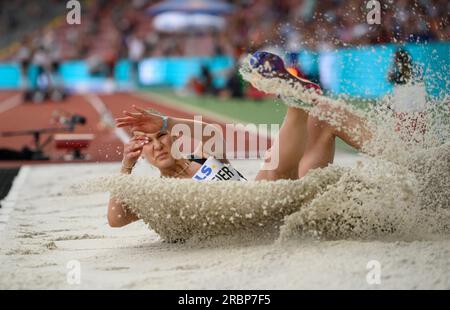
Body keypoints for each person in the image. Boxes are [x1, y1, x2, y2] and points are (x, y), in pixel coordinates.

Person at [107, 52, 372, 228]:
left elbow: (211, 133)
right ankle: (296, 102)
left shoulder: (202, 157)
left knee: (323, 119)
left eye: (162, 137)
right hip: (259, 221)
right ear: (142, 152)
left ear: (176, 138)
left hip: (284, 200)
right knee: (270, 168)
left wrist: (166, 121)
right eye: (149, 143)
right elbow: (116, 220)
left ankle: (394, 152)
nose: (158, 145)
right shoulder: (157, 193)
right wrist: (126, 166)